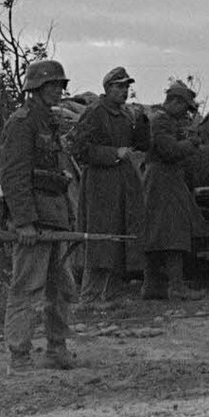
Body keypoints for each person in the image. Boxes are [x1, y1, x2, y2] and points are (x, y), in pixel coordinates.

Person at [0, 59, 78, 374]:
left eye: (60, 85)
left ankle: (56, 350)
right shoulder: (22, 123)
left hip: (56, 218)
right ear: (37, 88)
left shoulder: (50, 122)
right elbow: (14, 176)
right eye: (52, 85)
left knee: (61, 289)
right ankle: (19, 356)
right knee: (27, 288)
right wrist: (24, 222)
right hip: (35, 222)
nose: (59, 90)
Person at [72, 66, 148, 304]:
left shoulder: (127, 115)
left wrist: (143, 121)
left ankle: (112, 295)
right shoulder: (94, 113)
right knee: (100, 240)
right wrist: (114, 153)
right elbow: (80, 150)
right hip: (101, 186)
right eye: (119, 86)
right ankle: (90, 297)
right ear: (107, 88)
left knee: (120, 237)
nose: (124, 91)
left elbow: (143, 145)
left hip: (123, 184)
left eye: (127, 87)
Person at [141, 81, 205, 301]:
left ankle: (152, 286)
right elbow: (169, 150)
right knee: (173, 231)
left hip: (163, 178)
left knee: (158, 231)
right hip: (163, 178)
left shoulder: (163, 121)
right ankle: (175, 287)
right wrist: (191, 143)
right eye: (185, 108)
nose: (186, 113)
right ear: (175, 102)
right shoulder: (161, 121)